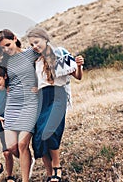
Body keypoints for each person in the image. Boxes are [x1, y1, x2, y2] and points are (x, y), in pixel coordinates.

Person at [27, 27, 84, 182]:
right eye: (32, 44)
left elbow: (77, 76)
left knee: (50, 131)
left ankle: (57, 168)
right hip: (42, 100)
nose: (34, 46)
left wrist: (78, 65)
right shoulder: (36, 62)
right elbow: (38, 83)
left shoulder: (60, 53)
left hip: (57, 96)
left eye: (37, 42)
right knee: (39, 138)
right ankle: (49, 173)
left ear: (45, 39)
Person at [0, 29, 40, 182]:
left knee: (23, 143)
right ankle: (28, 160)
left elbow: (49, 58)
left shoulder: (31, 53)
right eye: (2, 47)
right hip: (12, 106)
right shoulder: (4, 62)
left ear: (15, 38)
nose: (6, 49)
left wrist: (40, 85)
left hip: (29, 104)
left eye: (8, 44)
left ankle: (25, 179)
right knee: (12, 148)